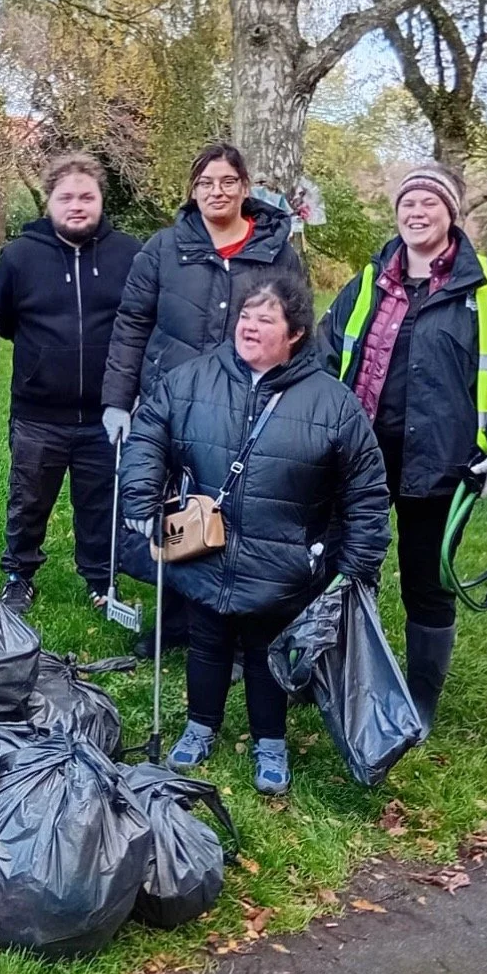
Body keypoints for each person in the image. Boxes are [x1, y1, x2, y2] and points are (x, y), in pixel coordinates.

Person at [121, 270, 389, 794]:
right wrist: (141, 493)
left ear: (294, 334)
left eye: (265, 320)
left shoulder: (332, 403)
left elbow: (367, 490)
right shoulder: (192, 379)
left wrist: (359, 563)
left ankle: (271, 742)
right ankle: (200, 727)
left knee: (267, 653)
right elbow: (149, 431)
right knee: (206, 644)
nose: (249, 325)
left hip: (282, 562)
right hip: (203, 547)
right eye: (245, 315)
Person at [317, 165, 487, 727]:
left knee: (427, 579)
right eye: (408, 203)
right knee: (342, 567)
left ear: (452, 214)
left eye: (430, 203)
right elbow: (323, 356)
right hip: (358, 459)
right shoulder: (370, 281)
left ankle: (420, 699)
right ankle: (333, 674)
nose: (416, 213)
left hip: (441, 464)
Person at [102, 143, 304, 651]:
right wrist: (117, 399)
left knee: (235, 512)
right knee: (176, 509)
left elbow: (297, 328)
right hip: (171, 400)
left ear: (244, 187)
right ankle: (175, 619)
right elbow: (132, 323)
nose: (217, 191)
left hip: (247, 404)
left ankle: (232, 629)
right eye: (207, 183)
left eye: (228, 182)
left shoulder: (277, 252)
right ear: (194, 190)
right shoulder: (165, 247)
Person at [0, 154, 142, 615]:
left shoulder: (131, 254)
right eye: (66, 197)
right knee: (28, 501)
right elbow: (3, 320)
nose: (77, 205)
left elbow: (139, 322)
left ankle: (100, 578)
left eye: (86, 196)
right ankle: (19, 575)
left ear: (101, 199)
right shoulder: (19, 257)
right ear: (49, 202)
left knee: (101, 502)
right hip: (39, 413)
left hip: (107, 412)